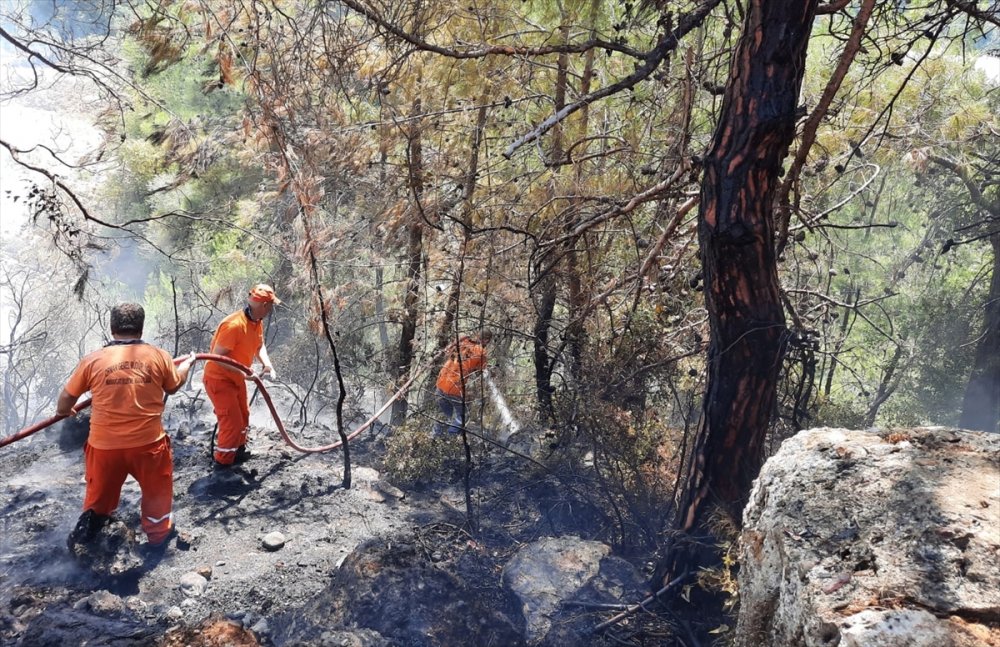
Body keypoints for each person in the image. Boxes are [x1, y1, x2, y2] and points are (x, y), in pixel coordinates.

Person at [57, 303, 195, 549]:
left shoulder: (93, 360)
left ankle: (89, 538)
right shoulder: (159, 356)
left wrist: (65, 412)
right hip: (149, 447)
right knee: (156, 493)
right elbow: (173, 386)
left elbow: (66, 399)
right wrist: (185, 367)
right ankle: (158, 535)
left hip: (104, 449)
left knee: (98, 501)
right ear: (141, 329)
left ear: (112, 329)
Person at [203, 283, 280, 467]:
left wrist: (267, 364)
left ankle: (238, 452)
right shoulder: (234, 325)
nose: (271, 309)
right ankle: (222, 466)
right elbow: (216, 357)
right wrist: (243, 372)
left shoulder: (256, 322)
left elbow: (259, 346)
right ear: (263, 306)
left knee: (243, 415)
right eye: (271, 305)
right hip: (219, 380)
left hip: (236, 378)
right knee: (232, 422)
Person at [433, 331, 492, 435]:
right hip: (454, 387)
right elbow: (480, 371)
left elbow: (448, 352)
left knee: (445, 414)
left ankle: (435, 437)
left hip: (441, 383)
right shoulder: (481, 352)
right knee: (463, 416)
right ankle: (451, 437)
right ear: (486, 340)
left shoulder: (462, 341)